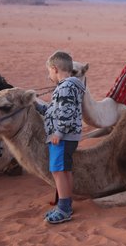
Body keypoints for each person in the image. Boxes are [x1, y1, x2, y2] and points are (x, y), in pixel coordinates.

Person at [35, 51, 85, 224]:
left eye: (49, 72)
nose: (49, 76)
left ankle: (63, 209)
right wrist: (39, 107)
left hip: (62, 137)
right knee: (64, 170)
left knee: (58, 171)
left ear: (55, 69)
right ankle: (66, 203)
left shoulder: (65, 87)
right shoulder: (69, 86)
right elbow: (56, 110)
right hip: (67, 136)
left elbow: (66, 112)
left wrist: (58, 133)